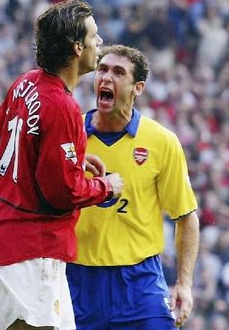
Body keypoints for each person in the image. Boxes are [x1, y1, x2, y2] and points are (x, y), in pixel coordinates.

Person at [0, 0, 124, 330]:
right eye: (95, 36)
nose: (100, 42)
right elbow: (61, 191)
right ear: (77, 47)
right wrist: (105, 187)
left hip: (14, 243)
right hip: (33, 247)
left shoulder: (25, 83)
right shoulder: (62, 105)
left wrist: (70, 158)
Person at [67, 44, 200, 330]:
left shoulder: (161, 141)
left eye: (118, 72)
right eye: (102, 70)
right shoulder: (70, 134)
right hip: (78, 279)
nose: (106, 78)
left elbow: (186, 217)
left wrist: (184, 284)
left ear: (137, 87)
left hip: (140, 282)